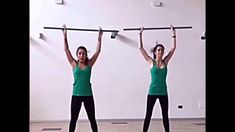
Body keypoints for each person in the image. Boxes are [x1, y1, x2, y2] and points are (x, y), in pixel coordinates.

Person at [62, 24, 103, 132]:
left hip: (88, 95)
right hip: (76, 95)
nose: (81, 55)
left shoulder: (89, 64)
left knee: (92, 119)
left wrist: (99, 38)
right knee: (73, 119)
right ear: (77, 55)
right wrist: (65, 35)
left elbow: (97, 52)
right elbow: (66, 50)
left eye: (83, 53)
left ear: (85, 55)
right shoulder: (74, 64)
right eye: (79, 53)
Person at [138, 25, 176, 132]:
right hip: (153, 91)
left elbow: (173, 49)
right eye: (159, 50)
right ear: (155, 52)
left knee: (165, 115)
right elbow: (141, 48)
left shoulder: (165, 61)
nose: (161, 52)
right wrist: (140, 34)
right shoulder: (151, 62)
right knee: (148, 114)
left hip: (163, 92)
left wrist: (173, 34)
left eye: (162, 50)